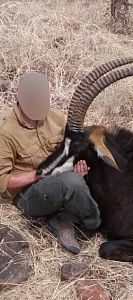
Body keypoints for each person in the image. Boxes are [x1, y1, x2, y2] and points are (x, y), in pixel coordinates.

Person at [0, 71, 101, 254]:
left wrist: (77, 163)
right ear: (18, 93)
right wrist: (40, 173)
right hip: (28, 194)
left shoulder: (55, 116)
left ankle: (62, 213)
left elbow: (73, 144)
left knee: (93, 164)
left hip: (58, 176)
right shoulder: (5, 132)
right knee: (71, 182)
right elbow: (3, 182)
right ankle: (94, 225)